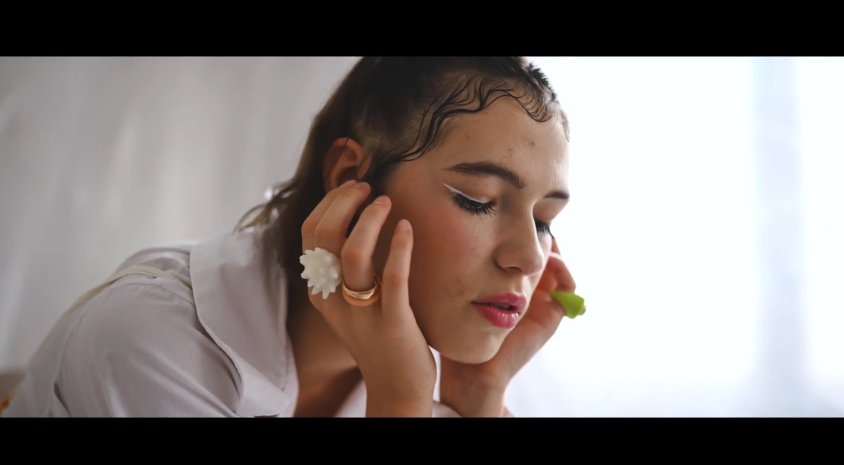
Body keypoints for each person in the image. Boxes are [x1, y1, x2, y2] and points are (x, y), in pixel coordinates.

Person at [3, 57, 577, 417]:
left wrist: (477, 399)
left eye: (544, 220)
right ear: (351, 180)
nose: (530, 257)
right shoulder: (153, 343)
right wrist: (401, 403)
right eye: (478, 199)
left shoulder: (418, 376)